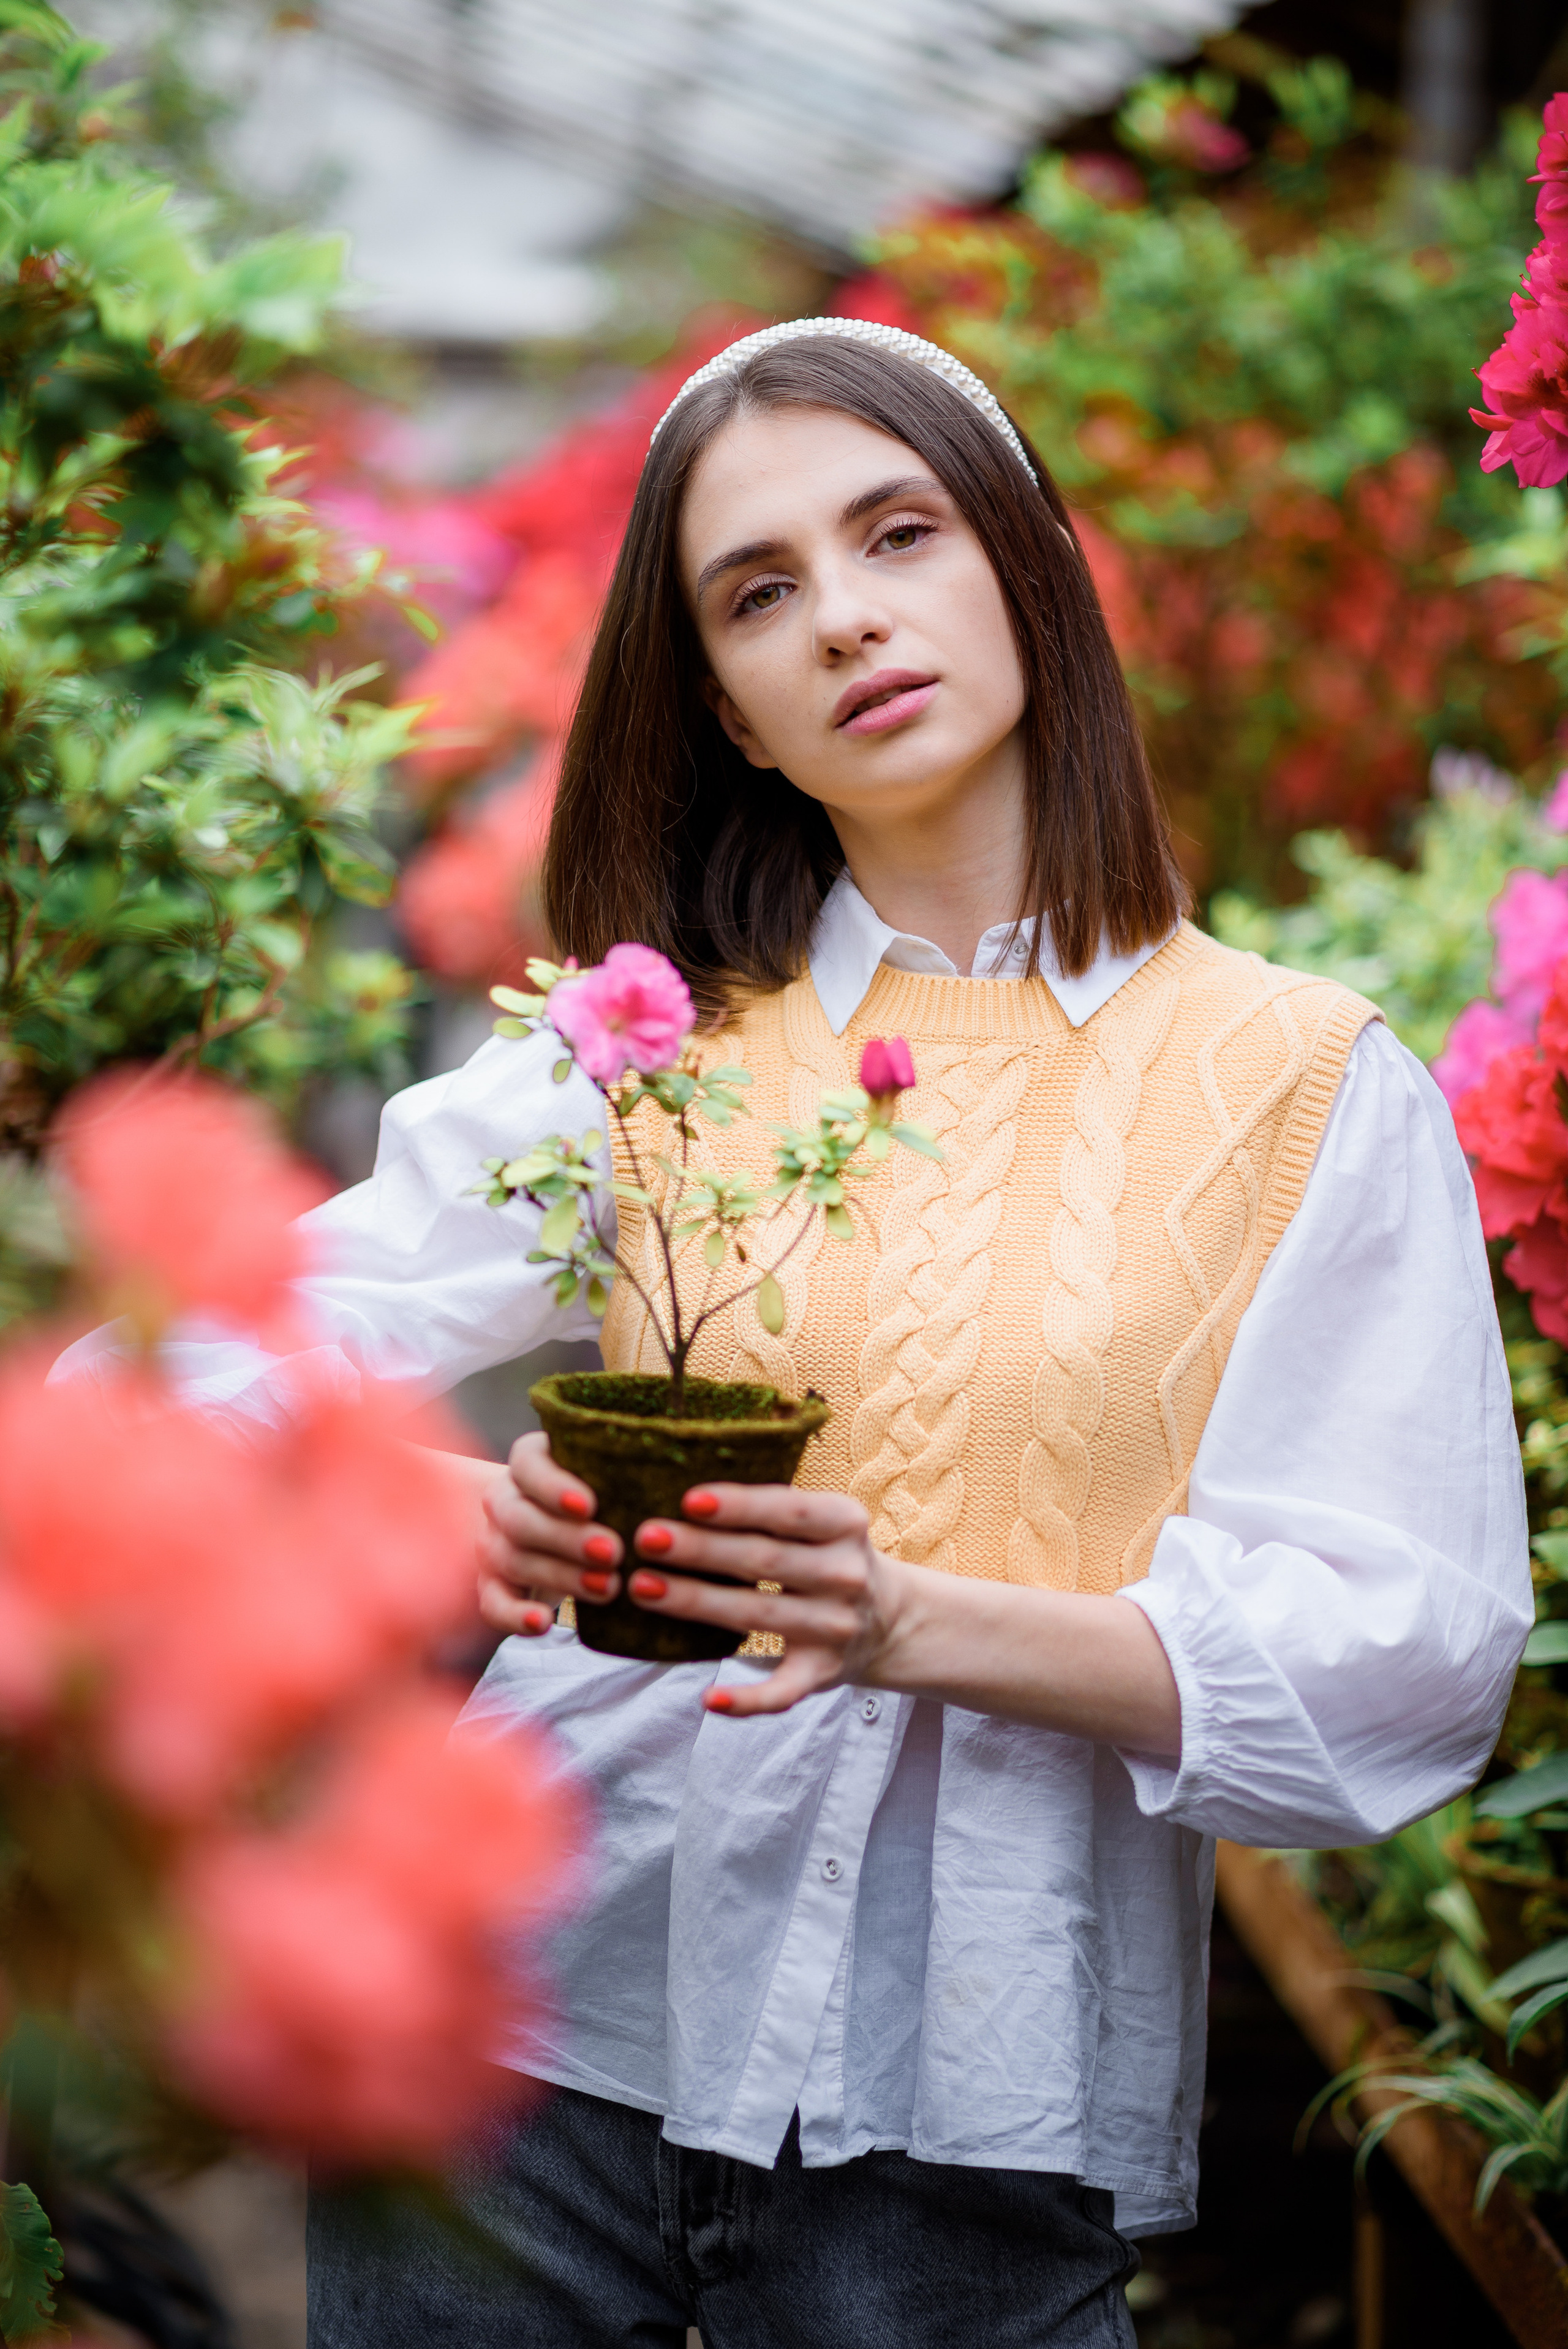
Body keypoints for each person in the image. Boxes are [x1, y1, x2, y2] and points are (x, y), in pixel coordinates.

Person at [69, 321, 1531, 2347]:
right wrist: (426, 1511)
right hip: (522, 2025)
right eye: (759, 593)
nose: (843, 620)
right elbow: (149, 1372)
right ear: (734, 714)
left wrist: (909, 1616)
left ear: (1027, 562)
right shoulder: (650, 1043)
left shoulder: (1298, 1085)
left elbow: (1410, 1652)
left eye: (898, 534)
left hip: (963, 2114)